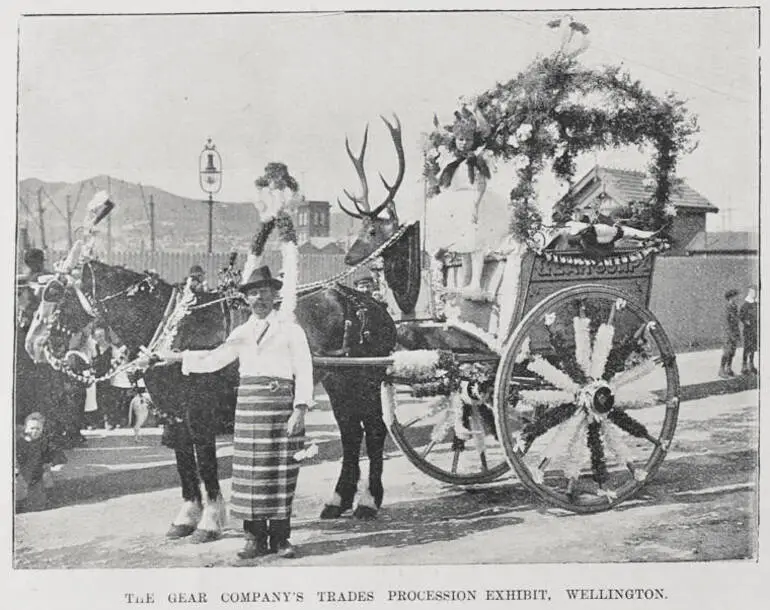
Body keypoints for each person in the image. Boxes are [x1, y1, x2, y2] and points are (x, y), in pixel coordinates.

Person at [156, 265, 313, 560]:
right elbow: (214, 359)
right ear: (247, 300)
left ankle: (281, 539)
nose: (259, 299)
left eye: (264, 293)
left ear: (274, 296)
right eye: (253, 294)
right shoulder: (241, 333)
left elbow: (304, 370)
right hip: (249, 409)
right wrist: (176, 357)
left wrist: (300, 409)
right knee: (251, 476)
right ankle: (254, 538)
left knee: (280, 476)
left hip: (281, 408)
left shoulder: (291, 330)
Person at [16, 412, 67, 512]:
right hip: (23, 473)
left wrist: (51, 464)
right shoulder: (20, 443)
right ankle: (19, 504)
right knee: (19, 487)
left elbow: (59, 455)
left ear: (42, 429)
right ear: (26, 428)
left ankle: (48, 500)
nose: (34, 431)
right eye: (32, 428)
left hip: (39, 473)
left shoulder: (44, 442)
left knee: (46, 479)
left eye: (38, 429)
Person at [719, 288, 741, 378]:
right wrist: (730, 334)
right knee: (726, 352)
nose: (737, 298)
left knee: (732, 352)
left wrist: (737, 333)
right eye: (736, 296)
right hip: (728, 333)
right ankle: (721, 370)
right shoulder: (727, 307)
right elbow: (726, 322)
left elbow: (736, 322)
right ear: (731, 297)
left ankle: (729, 369)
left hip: (734, 332)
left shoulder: (735, 307)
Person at [739, 285, 758, 375]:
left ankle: (751, 365)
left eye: (755, 292)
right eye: (753, 292)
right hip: (748, 331)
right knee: (747, 348)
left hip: (755, 330)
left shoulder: (756, 304)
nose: (754, 293)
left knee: (753, 348)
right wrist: (746, 321)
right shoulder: (745, 305)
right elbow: (741, 316)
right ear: (749, 293)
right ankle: (744, 366)